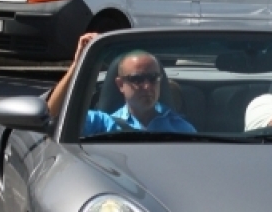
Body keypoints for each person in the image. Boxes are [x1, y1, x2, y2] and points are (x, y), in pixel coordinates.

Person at [46, 32, 196, 135]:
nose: (147, 86)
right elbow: (51, 115)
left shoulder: (181, 129)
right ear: (120, 85)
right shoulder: (102, 124)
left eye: (153, 78)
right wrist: (77, 64)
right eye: (137, 79)